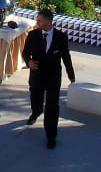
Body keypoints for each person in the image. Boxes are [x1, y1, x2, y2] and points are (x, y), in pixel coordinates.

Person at [21, 8, 76, 149]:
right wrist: (29, 62)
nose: (37, 22)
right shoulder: (33, 35)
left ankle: (51, 135)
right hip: (37, 75)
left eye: (39, 20)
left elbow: (66, 57)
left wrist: (71, 76)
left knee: (52, 106)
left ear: (48, 21)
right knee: (36, 96)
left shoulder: (60, 37)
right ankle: (36, 112)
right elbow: (25, 52)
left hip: (53, 76)